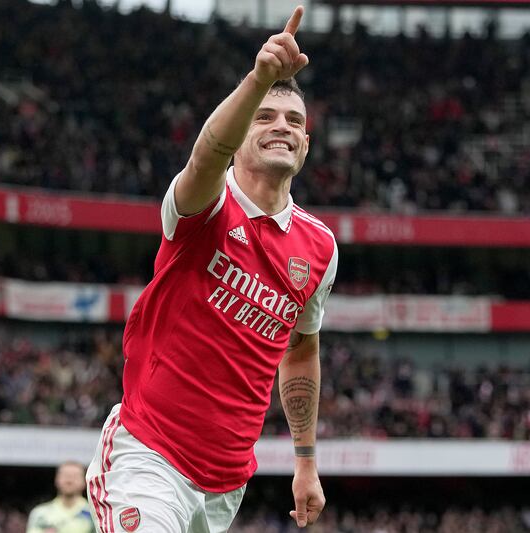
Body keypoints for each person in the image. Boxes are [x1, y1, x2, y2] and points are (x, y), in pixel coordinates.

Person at [86, 5, 337, 532]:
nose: (281, 128)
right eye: (265, 117)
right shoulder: (205, 205)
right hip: (148, 457)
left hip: (226, 486)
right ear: (243, 131)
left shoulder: (319, 247)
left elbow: (301, 348)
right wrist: (259, 79)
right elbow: (206, 157)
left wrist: (306, 460)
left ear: (306, 145)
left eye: (294, 121)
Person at [27, 461, 96, 533]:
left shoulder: (94, 513)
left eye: (75, 476)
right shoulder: (40, 513)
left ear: (84, 481)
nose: (69, 480)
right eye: (65, 475)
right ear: (56, 479)